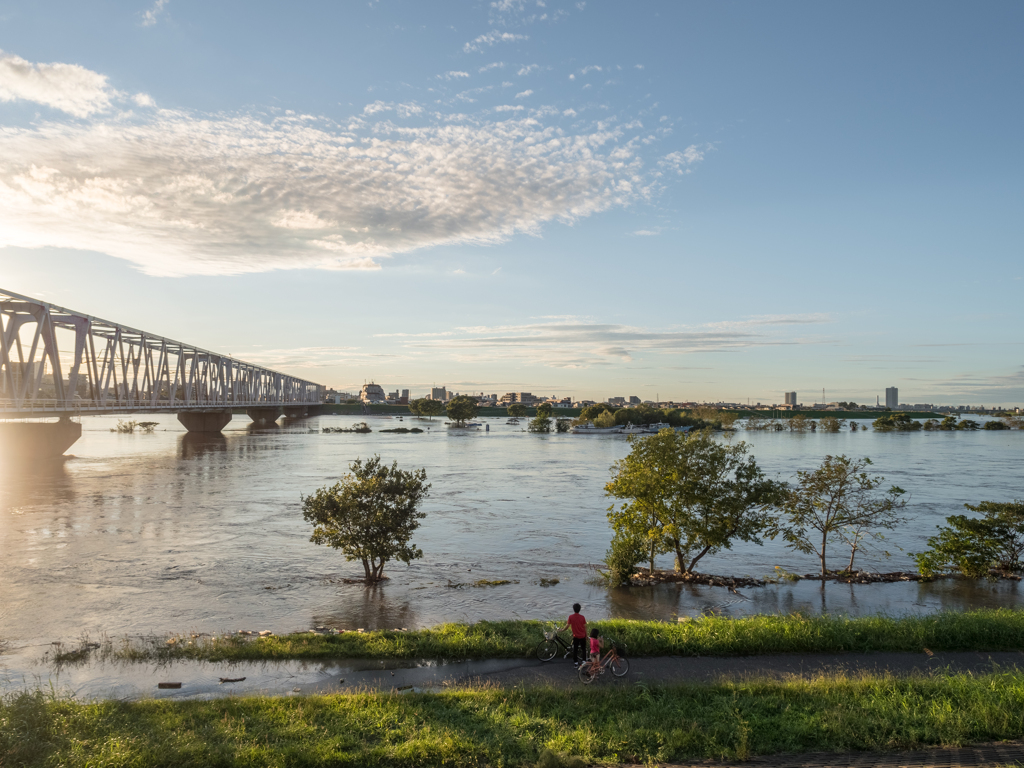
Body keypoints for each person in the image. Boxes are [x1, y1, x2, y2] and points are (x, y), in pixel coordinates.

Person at [559, 603, 587, 668]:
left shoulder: (571, 617)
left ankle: (576, 663)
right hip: (582, 635)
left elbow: (567, 626)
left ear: (573, 609)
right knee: (583, 649)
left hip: (576, 636)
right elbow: (585, 627)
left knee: (575, 650)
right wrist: (586, 635)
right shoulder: (582, 617)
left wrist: (562, 630)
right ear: (580, 609)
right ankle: (584, 661)